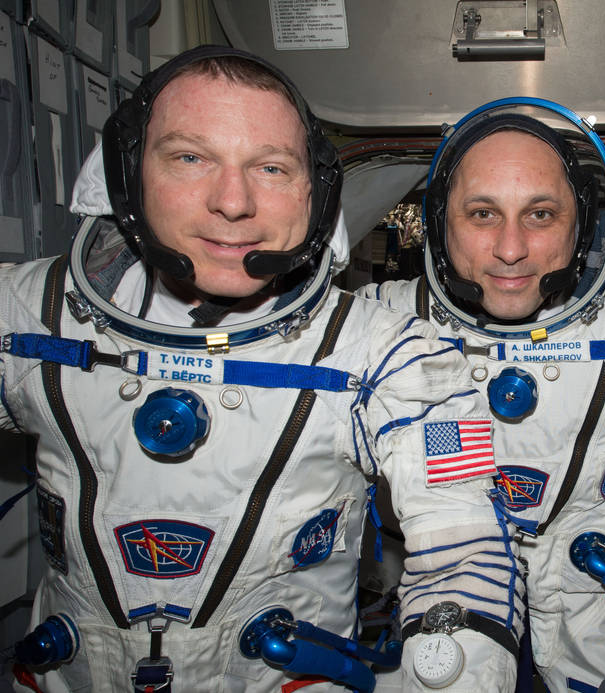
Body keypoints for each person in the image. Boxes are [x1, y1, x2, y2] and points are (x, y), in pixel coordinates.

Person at [0, 45, 523, 692]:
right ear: (129, 171)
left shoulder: (385, 353)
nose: (232, 201)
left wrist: (450, 671)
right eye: (190, 157)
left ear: (314, 193)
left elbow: (463, 546)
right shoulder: (28, 316)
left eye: (270, 168)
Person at [358, 99, 605, 693]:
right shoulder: (379, 329)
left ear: (581, 225)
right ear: (438, 223)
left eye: (540, 214)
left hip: (594, 574)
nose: (511, 248)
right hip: (444, 570)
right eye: (482, 213)